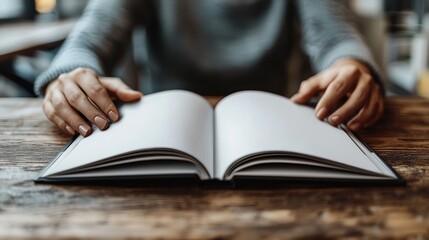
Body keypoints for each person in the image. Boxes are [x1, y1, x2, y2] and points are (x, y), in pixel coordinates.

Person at [35, 0, 384, 137]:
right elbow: (87, 40)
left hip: (271, 136)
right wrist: (69, 76)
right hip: (164, 135)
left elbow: (337, 36)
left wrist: (351, 66)